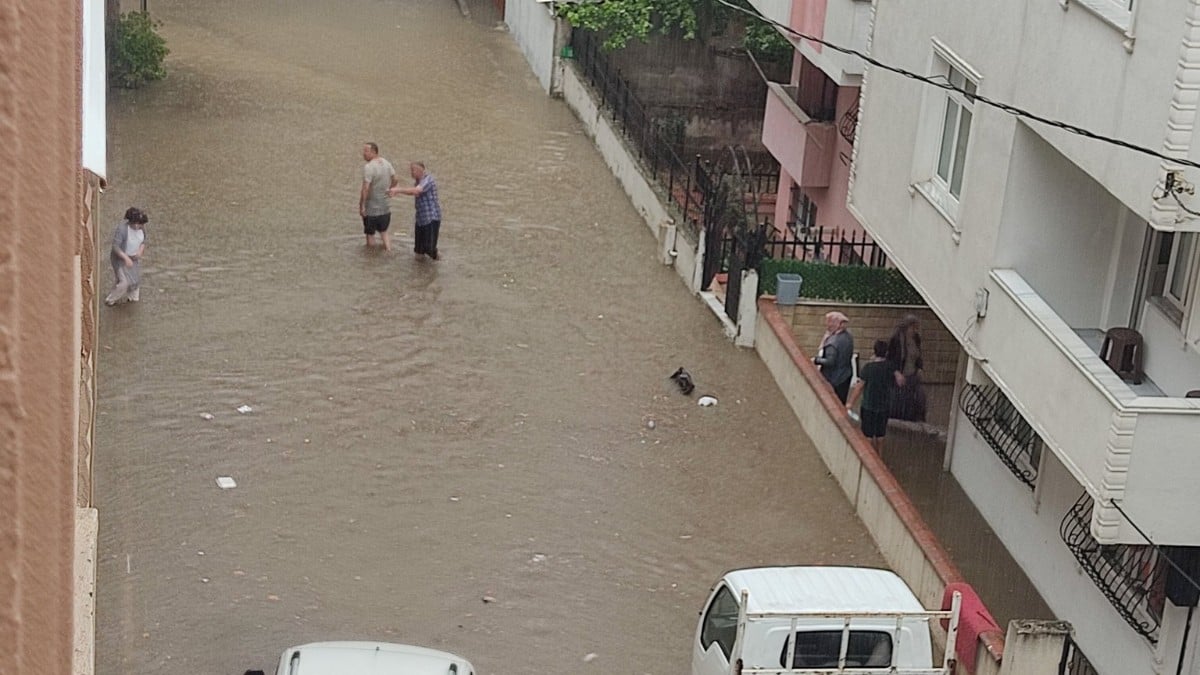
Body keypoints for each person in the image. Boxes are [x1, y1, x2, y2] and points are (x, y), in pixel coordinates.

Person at [847, 340, 895, 452]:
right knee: (880, 436)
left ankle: (868, 454)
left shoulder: (868, 368)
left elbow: (859, 387)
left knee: (867, 436)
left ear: (874, 351)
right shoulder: (889, 368)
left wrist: (850, 403)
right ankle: (879, 457)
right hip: (884, 406)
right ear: (886, 353)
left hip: (869, 406)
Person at [388, 161, 442, 260]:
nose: (411, 173)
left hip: (431, 219)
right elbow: (414, 192)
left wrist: (398, 190)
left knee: (429, 249)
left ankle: (439, 260)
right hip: (421, 219)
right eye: (411, 170)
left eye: (413, 170)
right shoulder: (417, 182)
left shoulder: (428, 180)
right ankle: (420, 268)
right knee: (418, 250)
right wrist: (398, 192)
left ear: (421, 170)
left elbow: (417, 190)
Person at [105, 207, 149, 306]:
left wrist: (140, 251)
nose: (137, 226)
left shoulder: (142, 229)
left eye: (140, 224)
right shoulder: (122, 229)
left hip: (134, 259)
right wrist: (125, 258)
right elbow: (115, 247)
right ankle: (110, 300)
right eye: (135, 223)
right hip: (120, 259)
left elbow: (144, 241)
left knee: (135, 281)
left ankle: (132, 301)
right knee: (124, 282)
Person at [887, 314, 927, 422]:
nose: (914, 331)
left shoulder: (916, 339)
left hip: (912, 374)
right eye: (912, 328)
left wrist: (920, 368)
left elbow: (918, 355)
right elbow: (890, 359)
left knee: (917, 398)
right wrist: (896, 373)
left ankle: (913, 419)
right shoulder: (896, 339)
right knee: (899, 401)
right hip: (900, 374)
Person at [359, 142, 398, 250]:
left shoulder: (369, 167)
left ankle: (371, 256)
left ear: (373, 152)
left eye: (366, 151)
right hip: (385, 206)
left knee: (370, 233)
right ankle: (389, 252)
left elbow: (366, 188)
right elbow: (395, 179)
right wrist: (390, 189)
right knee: (384, 232)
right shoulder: (386, 163)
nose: (363, 153)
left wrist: (362, 206)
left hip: (371, 207)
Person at [813, 311, 854, 404]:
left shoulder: (833, 342)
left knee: (831, 402)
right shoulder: (848, 336)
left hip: (834, 378)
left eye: (828, 322)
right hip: (846, 375)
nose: (827, 326)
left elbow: (830, 361)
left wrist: (816, 360)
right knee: (841, 402)